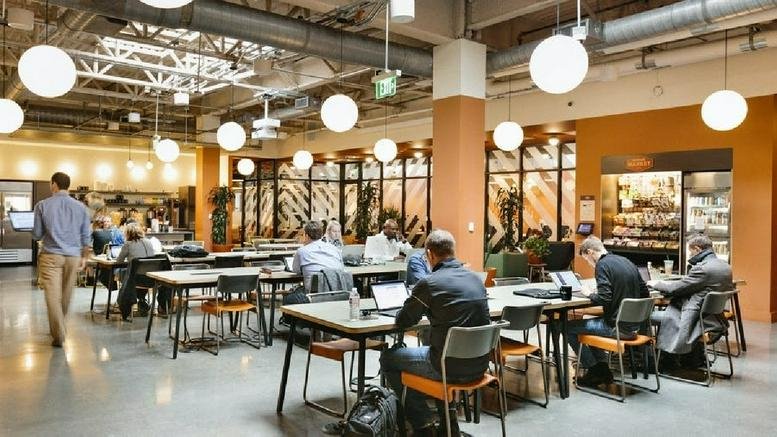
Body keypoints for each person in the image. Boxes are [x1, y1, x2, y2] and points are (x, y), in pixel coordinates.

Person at [380, 229, 490, 435]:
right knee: (439, 348)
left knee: (388, 358)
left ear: (430, 254)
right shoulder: (476, 279)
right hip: (480, 364)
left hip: (446, 367)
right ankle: (448, 426)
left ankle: (422, 422)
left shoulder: (429, 283)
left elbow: (404, 320)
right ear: (453, 251)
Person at [570, 236, 649, 387]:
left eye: (587, 259)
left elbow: (605, 299)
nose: (589, 263)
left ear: (590, 252)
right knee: (590, 327)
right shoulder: (626, 261)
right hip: (634, 327)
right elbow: (644, 292)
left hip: (616, 328)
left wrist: (589, 294)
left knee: (566, 327)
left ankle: (595, 369)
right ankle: (602, 368)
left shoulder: (602, 265)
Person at [649, 234, 732, 368]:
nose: (690, 254)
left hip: (695, 317)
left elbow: (675, 289)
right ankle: (691, 358)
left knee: (648, 316)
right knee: (669, 313)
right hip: (713, 317)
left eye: (691, 251)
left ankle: (659, 361)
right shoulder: (725, 266)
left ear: (698, 249)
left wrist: (655, 283)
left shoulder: (703, 269)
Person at [32, 172, 91, 347]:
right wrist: (85, 258)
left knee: (52, 296)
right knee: (66, 295)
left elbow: (37, 234)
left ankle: (58, 334)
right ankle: (59, 326)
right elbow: (86, 236)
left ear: (54, 184)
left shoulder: (42, 205)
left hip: (51, 256)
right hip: (73, 256)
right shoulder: (81, 207)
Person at [116, 222, 169, 317]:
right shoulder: (149, 242)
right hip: (154, 279)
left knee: (122, 273)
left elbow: (119, 261)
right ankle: (141, 300)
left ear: (127, 233)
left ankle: (127, 302)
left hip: (138, 280)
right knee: (135, 273)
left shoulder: (128, 244)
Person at [291, 221, 344, 290]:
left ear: (306, 236)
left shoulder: (302, 251)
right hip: (338, 293)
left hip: (314, 295)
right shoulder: (335, 249)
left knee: (289, 298)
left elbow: (296, 270)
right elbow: (342, 269)